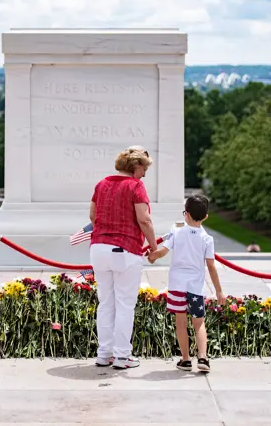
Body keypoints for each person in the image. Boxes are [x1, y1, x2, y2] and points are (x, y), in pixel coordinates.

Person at [89, 145, 157, 370]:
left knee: (105, 303)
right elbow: (144, 220)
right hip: (124, 249)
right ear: (136, 166)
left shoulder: (101, 184)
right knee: (125, 305)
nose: (145, 173)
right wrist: (154, 246)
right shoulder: (136, 186)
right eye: (144, 168)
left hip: (98, 248)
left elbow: (92, 215)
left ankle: (103, 354)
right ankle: (121, 356)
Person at [147, 194, 226, 373]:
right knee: (199, 323)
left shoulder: (176, 229)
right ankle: (203, 357)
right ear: (205, 217)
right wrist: (219, 291)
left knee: (180, 322)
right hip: (196, 287)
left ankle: (185, 359)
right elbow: (211, 267)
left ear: (186, 213)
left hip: (177, 286)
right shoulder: (207, 239)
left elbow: (162, 252)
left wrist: (152, 256)